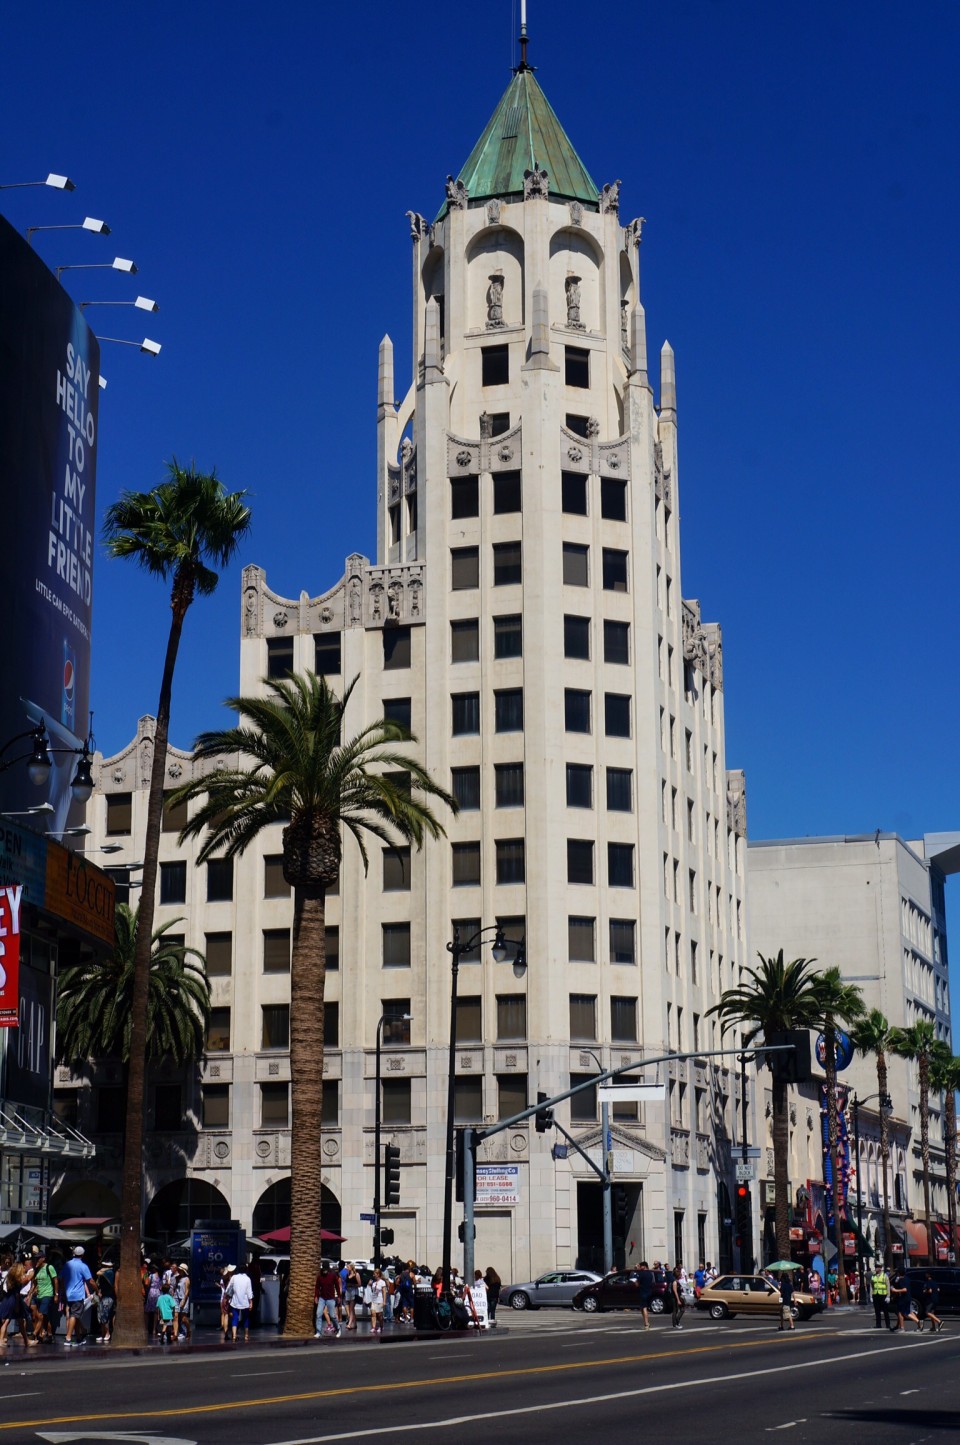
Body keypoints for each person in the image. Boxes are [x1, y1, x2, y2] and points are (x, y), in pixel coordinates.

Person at [61, 1246, 93, 1346]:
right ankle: (68, 1337)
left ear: (74, 1253)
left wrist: (62, 1291)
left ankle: (79, 1337)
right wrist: (96, 1290)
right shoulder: (83, 1266)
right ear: (83, 1255)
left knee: (74, 1315)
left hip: (68, 1295)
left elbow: (60, 1278)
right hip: (78, 1295)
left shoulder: (67, 1264)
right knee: (74, 1316)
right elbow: (90, 1280)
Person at [32, 1249, 59, 1343]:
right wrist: (31, 1293)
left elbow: (55, 1280)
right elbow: (34, 1282)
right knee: (45, 1317)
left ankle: (34, 1334)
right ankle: (50, 1335)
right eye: (36, 1258)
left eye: (38, 1258)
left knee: (41, 1315)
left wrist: (56, 1294)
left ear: (43, 1258)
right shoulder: (37, 1269)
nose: (37, 1260)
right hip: (39, 1295)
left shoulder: (49, 1267)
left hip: (47, 1294)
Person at [227, 1262, 255, 1342]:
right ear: (246, 1270)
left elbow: (228, 1288)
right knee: (246, 1319)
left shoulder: (234, 1277)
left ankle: (234, 1336)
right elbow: (249, 1292)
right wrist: (251, 1302)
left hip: (235, 1302)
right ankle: (246, 1335)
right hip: (245, 1302)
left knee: (235, 1319)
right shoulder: (248, 1279)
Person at [889, 1266, 919, 1333]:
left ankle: (904, 1327)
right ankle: (919, 1324)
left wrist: (895, 1290)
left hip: (903, 1298)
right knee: (910, 1312)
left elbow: (904, 1289)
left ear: (899, 1273)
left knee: (902, 1313)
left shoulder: (902, 1280)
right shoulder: (907, 1278)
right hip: (908, 1297)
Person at [314, 1261, 341, 1337]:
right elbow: (317, 1287)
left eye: (326, 1269)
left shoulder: (332, 1276)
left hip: (330, 1298)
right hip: (322, 1298)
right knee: (318, 1314)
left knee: (332, 1315)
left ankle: (338, 1329)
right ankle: (318, 1331)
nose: (324, 1271)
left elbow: (337, 1286)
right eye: (323, 1269)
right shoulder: (320, 1277)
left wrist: (338, 1296)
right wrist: (316, 1296)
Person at [95, 1259, 116, 1343]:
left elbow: (98, 1273)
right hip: (103, 1296)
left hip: (108, 1296)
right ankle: (103, 1333)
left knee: (105, 1315)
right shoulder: (106, 1272)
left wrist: (104, 1269)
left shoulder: (110, 1272)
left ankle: (107, 1333)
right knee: (100, 1315)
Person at [143, 1261, 161, 1340]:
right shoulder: (160, 1276)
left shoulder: (151, 1276)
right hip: (158, 1293)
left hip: (151, 1292)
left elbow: (147, 1284)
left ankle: (146, 1328)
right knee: (155, 1312)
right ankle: (154, 1329)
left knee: (147, 1311)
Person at [870, 1262, 891, 1330]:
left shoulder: (885, 1276)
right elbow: (871, 1286)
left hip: (883, 1295)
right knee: (877, 1311)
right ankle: (878, 1324)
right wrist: (871, 1296)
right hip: (876, 1295)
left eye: (877, 1267)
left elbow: (888, 1286)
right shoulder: (873, 1276)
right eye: (875, 1267)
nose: (876, 1268)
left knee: (885, 1311)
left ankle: (888, 1324)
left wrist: (888, 1296)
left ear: (880, 1268)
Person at [636, 1260, 655, 1331]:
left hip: (643, 1292)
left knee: (644, 1308)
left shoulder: (641, 1274)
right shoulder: (650, 1274)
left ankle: (646, 1324)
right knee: (643, 1308)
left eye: (640, 1266)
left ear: (644, 1266)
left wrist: (635, 1281)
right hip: (649, 1292)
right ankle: (646, 1322)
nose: (640, 1267)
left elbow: (637, 1284)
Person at [173, 1265, 191, 1342]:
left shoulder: (187, 1279)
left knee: (183, 1319)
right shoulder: (177, 1278)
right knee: (175, 1316)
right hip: (176, 1298)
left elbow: (187, 1291)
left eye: (180, 1270)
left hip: (183, 1298)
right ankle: (175, 1334)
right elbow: (175, 1288)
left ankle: (188, 1330)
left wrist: (184, 1300)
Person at [369, 1267, 388, 1333]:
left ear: (378, 1274)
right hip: (374, 1300)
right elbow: (373, 1291)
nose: (374, 1275)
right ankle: (374, 1327)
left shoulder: (382, 1282)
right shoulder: (374, 1283)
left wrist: (384, 1301)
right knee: (373, 1313)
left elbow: (384, 1292)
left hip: (380, 1300)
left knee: (379, 1314)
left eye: (375, 1274)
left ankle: (381, 1326)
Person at [343, 1263, 361, 1330]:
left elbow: (359, 1284)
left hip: (353, 1291)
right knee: (352, 1309)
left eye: (348, 1267)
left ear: (351, 1267)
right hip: (348, 1291)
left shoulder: (356, 1274)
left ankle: (349, 1324)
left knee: (351, 1308)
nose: (347, 1268)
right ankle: (355, 1324)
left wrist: (352, 1285)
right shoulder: (348, 1274)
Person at [220, 1265, 235, 1340]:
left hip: (224, 1299)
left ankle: (226, 1333)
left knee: (226, 1316)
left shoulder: (223, 1279)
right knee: (233, 1316)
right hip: (230, 1299)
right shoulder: (231, 1279)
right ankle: (233, 1333)